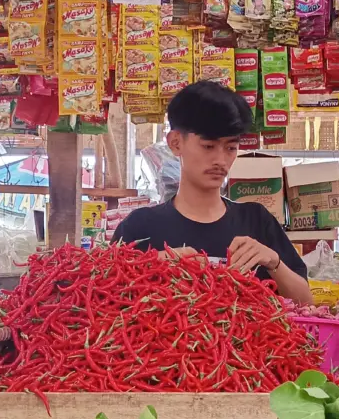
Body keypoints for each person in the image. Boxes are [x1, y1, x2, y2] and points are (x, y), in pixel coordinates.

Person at [113, 81, 313, 305]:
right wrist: (149, 264)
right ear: (176, 143)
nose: (221, 160)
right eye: (208, 146)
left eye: (230, 148)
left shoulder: (256, 220)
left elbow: (307, 304)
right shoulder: (140, 227)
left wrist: (274, 262)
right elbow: (101, 300)